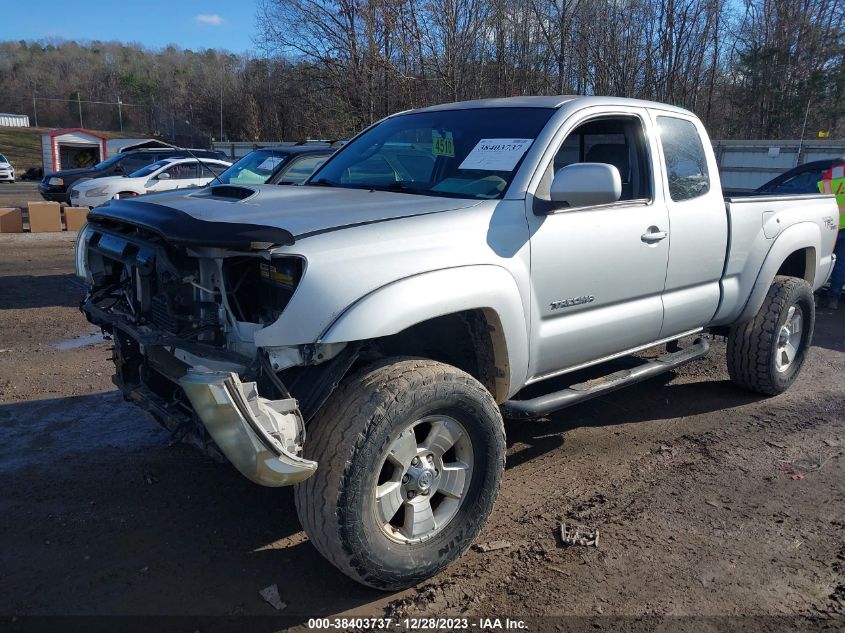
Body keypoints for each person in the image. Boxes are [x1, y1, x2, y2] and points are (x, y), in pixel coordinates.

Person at [818, 164, 845, 309]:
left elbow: (821, 199)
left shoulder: (829, 175)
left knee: (821, 259)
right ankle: (833, 299)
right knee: (841, 264)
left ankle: (814, 294)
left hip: (829, 224)